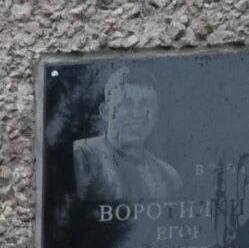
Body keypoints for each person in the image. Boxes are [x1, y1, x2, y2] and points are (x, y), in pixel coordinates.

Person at [72, 67, 183, 202]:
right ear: (105, 111)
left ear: (156, 114)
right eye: (125, 104)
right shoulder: (81, 157)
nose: (136, 113)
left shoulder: (168, 176)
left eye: (146, 104)